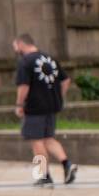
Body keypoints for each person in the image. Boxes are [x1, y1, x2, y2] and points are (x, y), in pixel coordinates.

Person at [13, 33, 77, 186]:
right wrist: (57, 96)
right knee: (48, 139)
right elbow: (66, 80)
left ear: (21, 44)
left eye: (15, 46)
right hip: (51, 106)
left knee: (37, 141)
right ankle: (67, 165)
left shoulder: (26, 62)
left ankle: (44, 176)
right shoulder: (50, 58)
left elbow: (23, 87)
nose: (15, 50)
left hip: (35, 107)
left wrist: (19, 105)